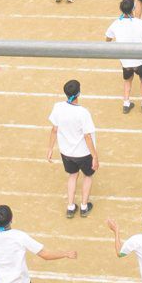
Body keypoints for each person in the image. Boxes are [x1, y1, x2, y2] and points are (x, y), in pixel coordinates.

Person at [48, 79, 99, 215]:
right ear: (79, 93)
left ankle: (70, 207)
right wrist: (95, 156)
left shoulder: (58, 107)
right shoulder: (83, 112)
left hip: (66, 153)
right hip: (83, 153)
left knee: (72, 175)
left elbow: (54, 129)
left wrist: (50, 149)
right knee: (87, 176)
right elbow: (87, 136)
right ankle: (84, 206)